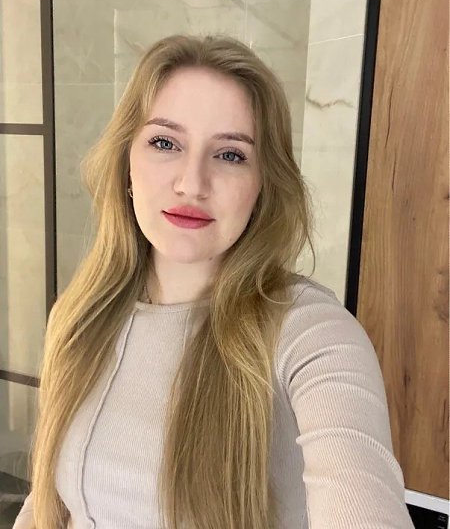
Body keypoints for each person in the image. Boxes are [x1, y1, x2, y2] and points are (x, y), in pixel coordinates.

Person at [13, 34, 414, 529]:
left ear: (263, 184)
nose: (192, 184)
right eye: (165, 143)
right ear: (127, 163)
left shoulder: (311, 335)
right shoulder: (80, 315)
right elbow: (48, 503)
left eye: (230, 155)